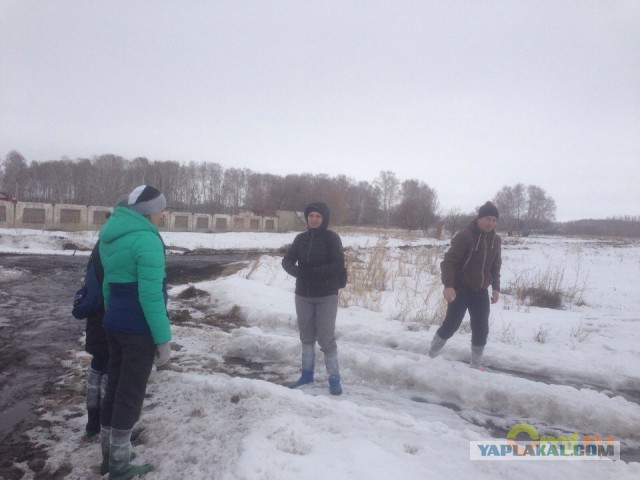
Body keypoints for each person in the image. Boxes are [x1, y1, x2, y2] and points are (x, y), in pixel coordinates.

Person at [98, 185, 172, 479]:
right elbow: (151, 296)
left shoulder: (109, 237)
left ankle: (109, 455)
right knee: (130, 393)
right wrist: (162, 339)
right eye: (160, 210)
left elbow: (106, 287)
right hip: (139, 329)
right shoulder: (147, 240)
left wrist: (112, 318)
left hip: (114, 325)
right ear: (148, 211)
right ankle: (120, 465)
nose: (162, 216)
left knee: (114, 387)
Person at [428, 201, 502, 369]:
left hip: (481, 292)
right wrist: (448, 285)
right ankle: (430, 356)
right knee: (451, 325)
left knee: (481, 329)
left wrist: (496, 288)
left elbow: (495, 265)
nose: (491, 223)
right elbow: (449, 262)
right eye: (487, 219)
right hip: (461, 290)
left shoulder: (496, 240)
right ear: (479, 218)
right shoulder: (465, 236)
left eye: (494, 220)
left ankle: (475, 366)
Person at [282, 202, 345, 395]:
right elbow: (287, 261)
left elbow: (337, 264)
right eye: (311, 216)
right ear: (307, 218)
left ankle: (334, 379)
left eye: (318, 216)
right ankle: (306, 374)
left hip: (326, 295)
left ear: (324, 218)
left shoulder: (332, 238)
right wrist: (299, 272)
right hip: (303, 295)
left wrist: (313, 273)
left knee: (326, 339)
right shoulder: (300, 239)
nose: (314, 219)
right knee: (306, 336)